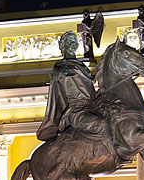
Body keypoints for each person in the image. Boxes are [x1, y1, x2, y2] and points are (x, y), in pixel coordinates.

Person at [37, 31, 121, 161]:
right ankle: (115, 155)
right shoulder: (60, 67)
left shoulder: (81, 66)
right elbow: (56, 76)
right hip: (77, 111)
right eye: (69, 42)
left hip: (91, 107)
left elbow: (89, 89)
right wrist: (61, 74)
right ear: (62, 46)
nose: (73, 45)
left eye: (74, 42)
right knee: (101, 125)